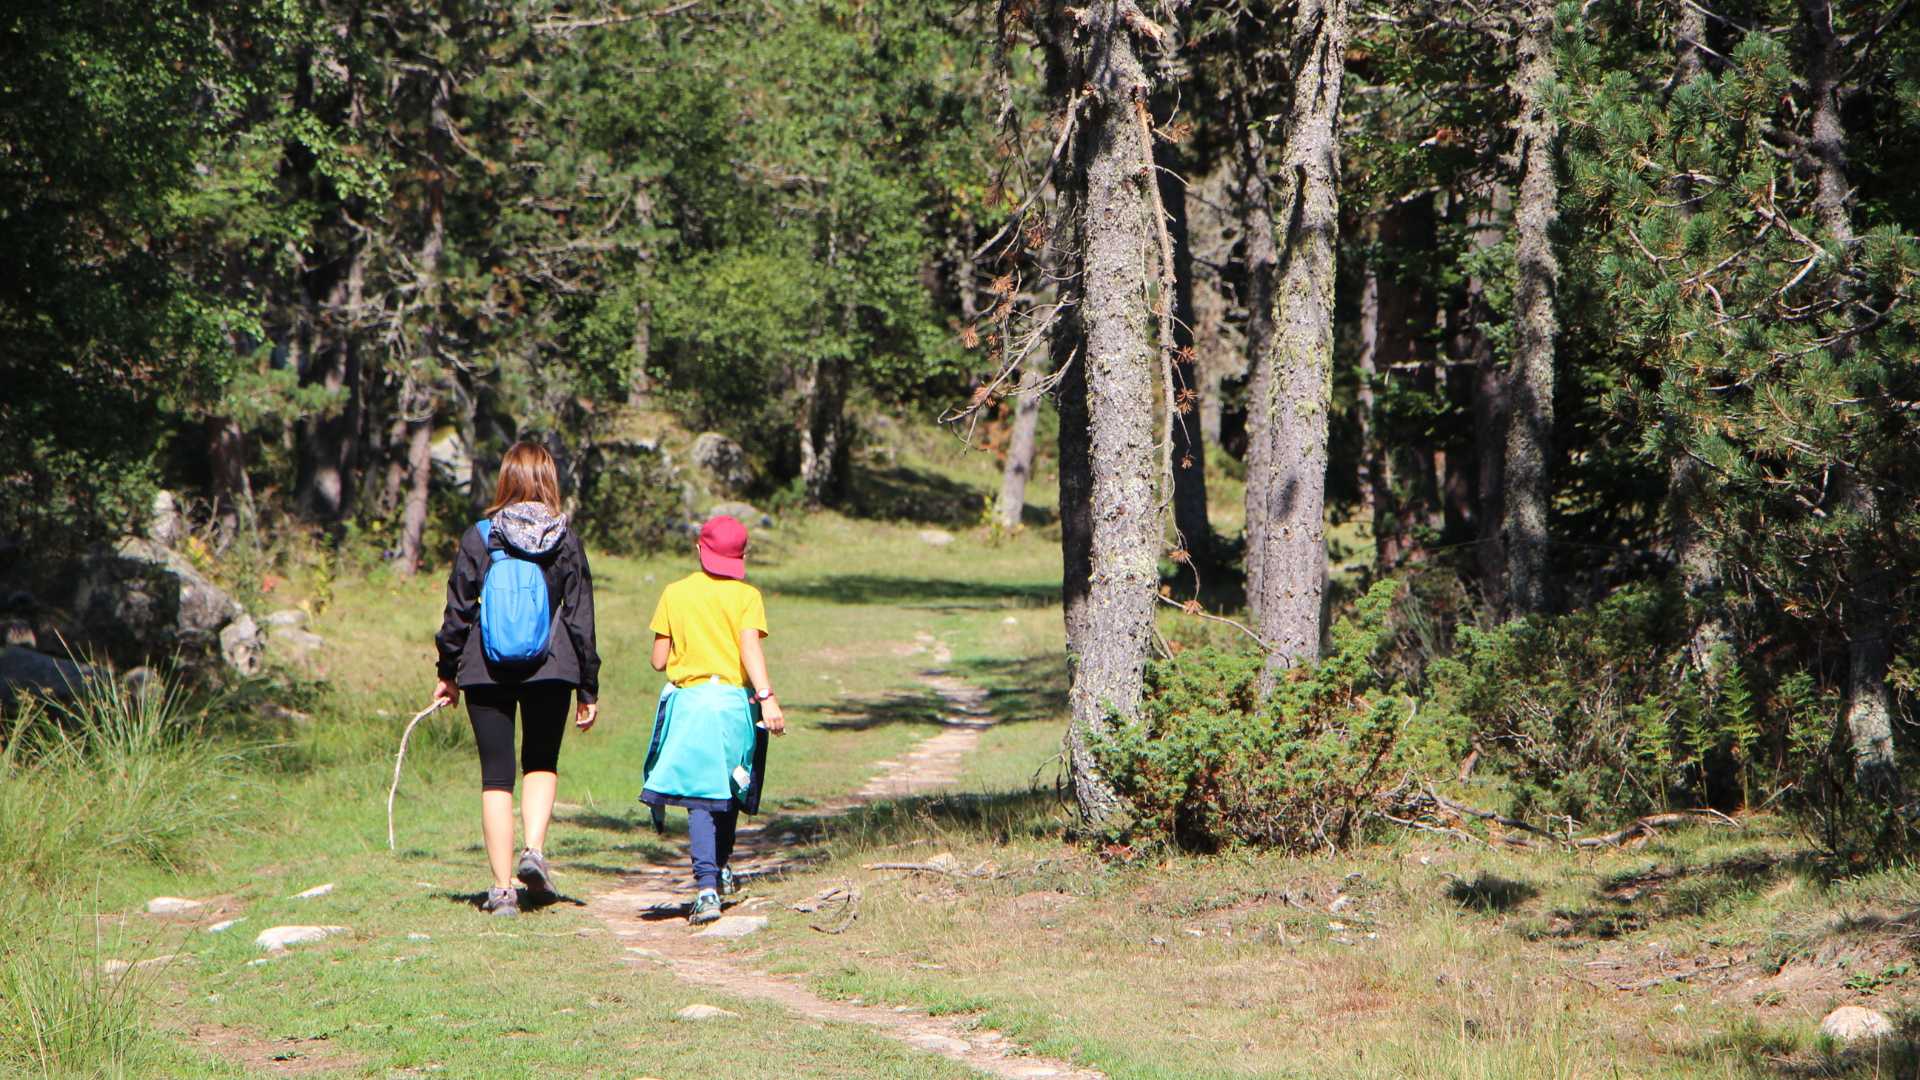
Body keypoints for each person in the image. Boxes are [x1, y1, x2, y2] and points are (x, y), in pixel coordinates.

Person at [432, 442, 600, 917]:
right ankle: (535, 852)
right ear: (549, 479)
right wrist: (588, 685)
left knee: (496, 777)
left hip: (485, 669)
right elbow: (581, 619)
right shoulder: (565, 539)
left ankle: (502, 889)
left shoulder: (480, 537)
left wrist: (448, 673)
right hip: (552, 667)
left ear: (505, 478)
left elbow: (458, 613)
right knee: (542, 762)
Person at [642, 514, 785, 925]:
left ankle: (705, 888)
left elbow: (658, 661)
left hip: (689, 706)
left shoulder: (674, 593)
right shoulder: (746, 597)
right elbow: (749, 651)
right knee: (729, 788)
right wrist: (767, 698)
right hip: (733, 706)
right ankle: (720, 868)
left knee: (698, 800)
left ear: (698, 549)